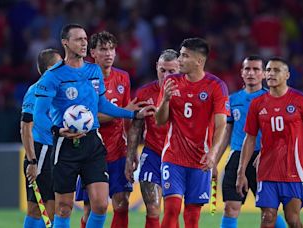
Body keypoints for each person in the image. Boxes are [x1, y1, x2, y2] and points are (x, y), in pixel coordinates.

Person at [33, 24, 154, 228]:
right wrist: (56, 129)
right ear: (65, 43)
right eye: (78, 39)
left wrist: (132, 113)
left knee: (100, 205)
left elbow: (102, 104)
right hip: (65, 145)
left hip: (92, 143)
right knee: (63, 207)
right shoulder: (53, 76)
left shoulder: (93, 71)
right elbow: (39, 114)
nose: (83, 43)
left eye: (85, 39)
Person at [236, 57, 303, 228]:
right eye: (268, 70)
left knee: (293, 220)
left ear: (287, 75)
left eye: (276, 70)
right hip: (266, 172)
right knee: (267, 218)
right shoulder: (257, 104)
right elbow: (249, 138)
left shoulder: (301, 100)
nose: (271, 73)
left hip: (292, 172)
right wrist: (241, 172)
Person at [155, 38, 230, 228]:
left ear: (199, 61)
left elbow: (221, 124)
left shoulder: (216, 86)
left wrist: (213, 153)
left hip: (200, 159)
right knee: (171, 208)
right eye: (180, 54)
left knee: (192, 216)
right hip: (173, 156)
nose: (179, 60)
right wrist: (164, 101)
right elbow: (160, 120)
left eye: (184, 56)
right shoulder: (171, 81)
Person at [75, 31, 145, 228]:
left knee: (122, 203)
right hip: (91, 151)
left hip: (118, 150)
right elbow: (88, 117)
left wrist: (132, 150)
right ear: (93, 53)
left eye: (111, 49)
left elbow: (128, 120)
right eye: (103, 49)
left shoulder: (123, 77)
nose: (109, 53)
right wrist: (123, 112)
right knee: (92, 208)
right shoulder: (84, 78)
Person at [213, 55, 286, 228]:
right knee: (231, 207)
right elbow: (226, 132)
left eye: (256, 69)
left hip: (264, 158)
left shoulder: (272, 99)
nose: (251, 73)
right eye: (247, 69)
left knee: (269, 211)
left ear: (263, 74)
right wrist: (214, 161)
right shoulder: (232, 100)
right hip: (237, 155)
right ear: (242, 73)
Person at [125, 49, 180, 228]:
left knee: (173, 210)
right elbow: (136, 126)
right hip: (153, 154)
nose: (166, 75)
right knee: (153, 208)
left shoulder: (188, 92)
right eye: (163, 70)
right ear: (156, 67)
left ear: (180, 68)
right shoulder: (145, 92)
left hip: (179, 157)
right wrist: (131, 155)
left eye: (172, 71)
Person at [21, 48, 62, 227]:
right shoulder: (36, 90)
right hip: (41, 151)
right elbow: (25, 127)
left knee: (55, 208)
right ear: (50, 68)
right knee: (39, 209)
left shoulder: (60, 90)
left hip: (57, 152)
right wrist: (32, 160)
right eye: (60, 64)